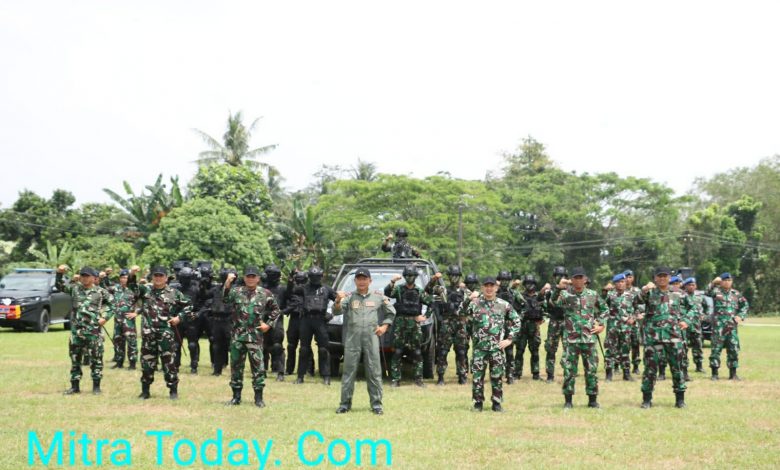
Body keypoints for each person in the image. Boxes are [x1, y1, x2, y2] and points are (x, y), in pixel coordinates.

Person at [333, 267, 396, 415]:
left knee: (374, 371)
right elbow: (336, 311)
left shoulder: (377, 296)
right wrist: (337, 300)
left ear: (369, 281)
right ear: (355, 281)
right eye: (359, 279)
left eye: (364, 279)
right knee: (348, 372)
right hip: (352, 340)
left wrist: (384, 327)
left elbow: (391, 312)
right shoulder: (349, 297)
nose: (361, 282)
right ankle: (344, 404)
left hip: (371, 339)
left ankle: (376, 405)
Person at [128, 265, 193, 400]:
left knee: (169, 363)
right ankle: (145, 391)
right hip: (148, 334)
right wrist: (132, 274)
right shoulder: (145, 290)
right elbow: (131, 286)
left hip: (166, 335)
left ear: (165, 278)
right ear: (152, 277)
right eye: (156, 275)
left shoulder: (174, 293)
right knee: (147, 363)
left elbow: (189, 305)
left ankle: (173, 391)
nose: (158, 278)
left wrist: (179, 318)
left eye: (161, 276)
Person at [460, 276, 520, 412]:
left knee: (497, 377)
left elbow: (517, 321)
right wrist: (468, 299)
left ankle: (497, 403)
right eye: (486, 286)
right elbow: (460, 313)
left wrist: (509, 339)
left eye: (491, 286)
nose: (489, 288)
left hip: (496, 349)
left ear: (496, 288)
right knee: (477, 377)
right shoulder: (475, 304)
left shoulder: (503, 305)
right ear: (482, 288)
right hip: (479, 349)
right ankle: (477, 403)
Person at [223, 266, 281, 407]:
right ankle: (236, 397)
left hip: (255, 337)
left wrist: (268, 325)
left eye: (253, 276)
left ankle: (258, 399)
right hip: (238, 336)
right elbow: (225, 299)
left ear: (258, 279)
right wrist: (227, 283)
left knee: (258, 368)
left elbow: (276, 310)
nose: (250, 279)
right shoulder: (236, 292)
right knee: (236, 368)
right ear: (244, 278)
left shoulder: (265, 293)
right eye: (248, 276)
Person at [552, 267, 607, 409]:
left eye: (580, 277)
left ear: (585, 279)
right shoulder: (565, 294)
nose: (578, 280)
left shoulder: (592, 294)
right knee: (569, 370)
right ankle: (568, 401)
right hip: (571, 339)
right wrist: (558, 288)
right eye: (575, 278)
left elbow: (605, 309)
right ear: (572, 280)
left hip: (589, 339)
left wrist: (601, 324)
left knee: (591, 371)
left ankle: (592, 400)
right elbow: (553, 304)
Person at [56, 265, 114, 395]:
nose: (84, 278)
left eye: (87, 276)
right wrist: (59, 273)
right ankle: (75, 386)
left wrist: (105, 318)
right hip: (77, 332)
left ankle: (96, 387)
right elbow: (59, 286)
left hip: (93, 332)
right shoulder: (75, 289)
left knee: (96, 359)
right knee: (75, 360)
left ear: (94, 278)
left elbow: (113, 304)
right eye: (82, 276)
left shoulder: (100, 291)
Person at [637, 266, 689, 409]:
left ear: (669, 278)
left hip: (674, 337)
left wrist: (687, 320)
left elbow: (693, 308)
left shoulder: (679, 293)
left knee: (677, 368)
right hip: (653, 338)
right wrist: (643, 290)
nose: (662, 278)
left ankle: (680, 399)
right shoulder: (649, 293)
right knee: (650, 369)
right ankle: (647, 399)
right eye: (659, 276)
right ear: (655, 278)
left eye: (665, 276)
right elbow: (635, 302)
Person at [384, 264, 433, 387]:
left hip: (414, 324)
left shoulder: (419, 291)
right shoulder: (399, 289)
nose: (409, 278)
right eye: (407, 275)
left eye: (411, 275)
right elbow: (388, 292)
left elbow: (431, 303)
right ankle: (396, 379)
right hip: (400, 323)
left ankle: (418, 379)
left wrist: (424, 316)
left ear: (415, 277)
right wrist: (392, 281)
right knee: (398, 352)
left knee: (417, 352)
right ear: (404, 276)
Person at [295, 266, 337, 385]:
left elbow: (339, 301)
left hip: (320, 321)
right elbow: (290, 291)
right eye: (312, 277)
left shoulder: (327, 289)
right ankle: (300, 376)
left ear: (321, 276)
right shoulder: (304, 288)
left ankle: (326, 376)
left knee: (324, 349)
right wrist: (291, 279)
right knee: (304, 349)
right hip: (306, 320)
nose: (315, 279)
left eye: (317, 277)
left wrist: (332, 314)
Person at [706, 273, 749, 381]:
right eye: (725, 280)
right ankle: (715, 374)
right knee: (716, 350)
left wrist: (740, 316)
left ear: (732, 282)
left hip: (731, 327)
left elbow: (745, 305)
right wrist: (713, 282)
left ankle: (733, 374)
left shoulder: (736, 294)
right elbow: (707, 291)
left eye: (729, 280)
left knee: (733, 350)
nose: (727, 282)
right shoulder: (716, 292)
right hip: (718, 328)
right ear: (721, 282)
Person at [433, 265, 470, 385]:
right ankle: (441, 376)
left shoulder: (465, 291)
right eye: (452, 276)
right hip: (446, 322)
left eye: (456, 276)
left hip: (460, 323)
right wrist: (434, 279)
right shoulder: (442, 290)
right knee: (443, 351)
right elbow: (430, 294)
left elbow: (474, 303)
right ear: (449, 277)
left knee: (461, 351)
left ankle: (462, 375)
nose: (454, 278)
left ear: (459, 277)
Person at [603, 273, 638, 382]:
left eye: (622, 282)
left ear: (625, 283)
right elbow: (602, 307)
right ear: (614, 284)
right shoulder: (610, 295)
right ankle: (609, 374)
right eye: (618, 282)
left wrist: (634, 318)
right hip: (613, 328)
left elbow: (637, 309)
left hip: (626, 328)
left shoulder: (631, 296)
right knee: (610, 351)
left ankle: (626, 374)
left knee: (625, 350)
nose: (620, 284)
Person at [511, 275, 546, 381]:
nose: (529, 285)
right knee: (519, 350)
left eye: (531, 283)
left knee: (534, 351)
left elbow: (545, 308)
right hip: (522, 326)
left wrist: (542, 318)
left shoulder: (539, 296)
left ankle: (535, 374)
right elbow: (514, 308)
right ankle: (517, 373)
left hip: (534, 327)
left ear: (535, 285)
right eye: (527, 283)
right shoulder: (519, 296)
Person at [206, 268, 236, 376]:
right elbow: (204, 294)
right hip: (217, 320)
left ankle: (235, 370)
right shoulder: (216, 289)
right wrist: (206, 281)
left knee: (232, 346)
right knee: (217, 346)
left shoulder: (236, 290)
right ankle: (217, 370)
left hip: (229, 320)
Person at [108, 269, 139, 370]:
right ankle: (119, 362)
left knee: (131, 342)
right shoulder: (116, 289)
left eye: (126, 277)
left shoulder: (134, 289)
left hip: (128, 321)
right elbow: (103, 287)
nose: (124, 279)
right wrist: (105, 276)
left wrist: (136, 313)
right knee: (118, 341)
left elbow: (145, 301)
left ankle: (132, 363)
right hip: (118, 320)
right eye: (122, 277)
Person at [262, 265, 287, 381]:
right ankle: (262, 370)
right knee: (262, 346)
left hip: (277, 319)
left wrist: (283, 311)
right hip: (263, 318)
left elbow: (292, 302)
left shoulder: (282, 289)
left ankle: (281, 372)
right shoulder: (261, 288)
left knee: (277, 346)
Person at [543, 266, 567, 383]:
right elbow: (550, 305)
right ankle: (550, 375)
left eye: (563, 276)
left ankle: (568, 372)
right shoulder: (550, 292)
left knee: (569, 348)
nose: (561, 278)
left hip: (567, 322)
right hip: (554, 321)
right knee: (551, 349)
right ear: (554, 278)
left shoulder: (570, 291)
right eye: (558, 276)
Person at [682, 277, 708, 374]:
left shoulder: (699, 297)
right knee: (684, 347)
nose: (691, 287)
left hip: (696, 326)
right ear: (685, 286)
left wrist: (703, 315)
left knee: (698, 346)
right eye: (689, 285)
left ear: (696, 286)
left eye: (693, 285)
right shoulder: (682, 296)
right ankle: (684, 366)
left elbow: (705, 307)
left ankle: (699, 366)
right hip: (685, 326)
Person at [623, 270, 644, 375]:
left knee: (635, 343)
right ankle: (619, 365)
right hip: (621, 323)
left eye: (630, 277)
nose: (627, 279)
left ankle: (635, 366)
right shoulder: (617, 290)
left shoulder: (637, 291)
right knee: (621, 344)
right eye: (626, 277)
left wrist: (636, 316)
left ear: (633, 278)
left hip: (633, 322)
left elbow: (641, 305)